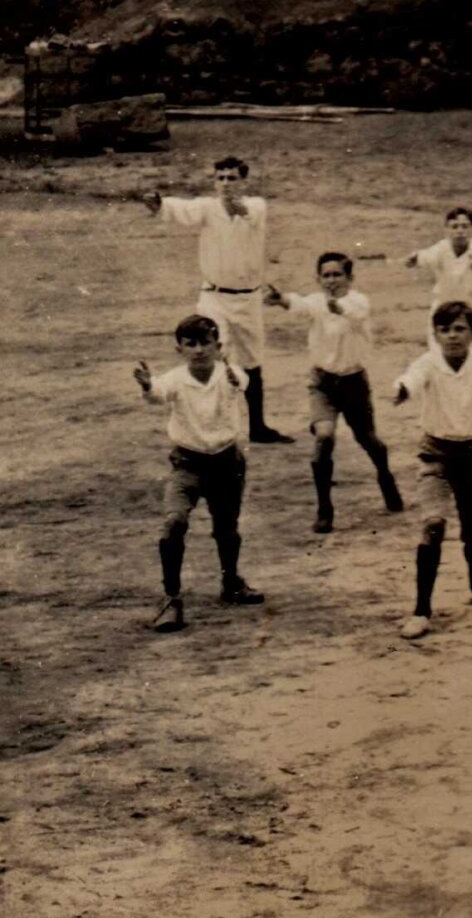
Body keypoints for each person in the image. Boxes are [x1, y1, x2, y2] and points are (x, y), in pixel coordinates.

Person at [389, 302, 472, 639]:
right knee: (433, 525)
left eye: (460, 329)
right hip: (437, 453)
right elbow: (412, 378)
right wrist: (402, 389)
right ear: (435, 334)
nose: (452, 336)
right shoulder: (428, 363)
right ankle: (421, 610)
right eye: (445, 330)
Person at [140, 157, 289, 444]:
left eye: (232, 178)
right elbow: (181, 208)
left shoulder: (257, 206)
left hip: (249, 299)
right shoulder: (207, 209)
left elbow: (246, 211)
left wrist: (237, 206)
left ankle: (257, 426)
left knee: (252, 363)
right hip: (214, 297)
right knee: (214, 355)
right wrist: (159, 204)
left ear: (243, 181)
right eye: (220, 178)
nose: (225, 184)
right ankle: (216, 427)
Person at [132, 315, 263, 632]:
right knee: (174, 522)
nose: (199, 350)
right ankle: (170, 599)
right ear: (179, 349)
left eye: (205, 343)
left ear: (217, 347)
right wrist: (147, 384)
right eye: (191, 344)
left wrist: (231, 370)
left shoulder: (230, 375)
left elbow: (240, 382)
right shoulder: (175, 379)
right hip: (187, 463)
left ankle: (231, 582)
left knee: (227, 528)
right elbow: (156, 394)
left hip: (227, 461)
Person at [267, 253, 403, 532]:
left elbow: (356, 315)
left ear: (349, 279)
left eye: (337, 275)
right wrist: (281, 299)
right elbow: (300, 304)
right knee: (324, 437)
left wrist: (337, 307)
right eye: (326, 275)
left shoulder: (359, 301)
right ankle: (324, 508)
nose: (331, 280)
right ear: (318, 279)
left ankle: (385, 477)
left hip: (354, 383)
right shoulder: (316, 302)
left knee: (369, 440)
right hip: (323, 383)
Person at [407, 208, 472, 348]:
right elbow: (423, 256)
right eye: (454, 226)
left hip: (470, 307)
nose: (460, 231)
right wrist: (414, 258)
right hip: (444, 306)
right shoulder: (441, 248)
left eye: (465, 226)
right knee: (438, 351)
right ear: (447, 230)